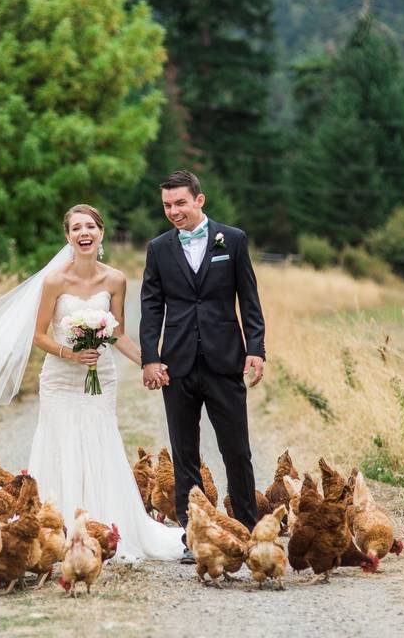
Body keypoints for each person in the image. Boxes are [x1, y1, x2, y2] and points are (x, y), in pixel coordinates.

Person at [0, 203, 183, 561]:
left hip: (100, 376)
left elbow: (118, 334)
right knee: (60, 442)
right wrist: (71, 354)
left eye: (90, 226)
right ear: (68, 236)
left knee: (100, 440)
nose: (84, 233)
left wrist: (149, 363)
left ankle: (104, 526)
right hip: (61, 376)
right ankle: (54, 530)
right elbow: (39, 335)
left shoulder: (116, 279)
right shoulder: (55, 281)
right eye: (76, 228)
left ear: (101, 233)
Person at [139, 170, 267, 564]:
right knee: (184, 454)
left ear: (199, 200)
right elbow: (151, 305)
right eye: (167, 205)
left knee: (236, 451)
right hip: (176, 364)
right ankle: (193, 535)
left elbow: (248, 298)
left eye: (180, 203)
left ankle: (244, 529)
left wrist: (256, 348)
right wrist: (150, 357)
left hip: (225, 359)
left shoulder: (233, 239)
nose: (173, 211)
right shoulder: (158, 248)